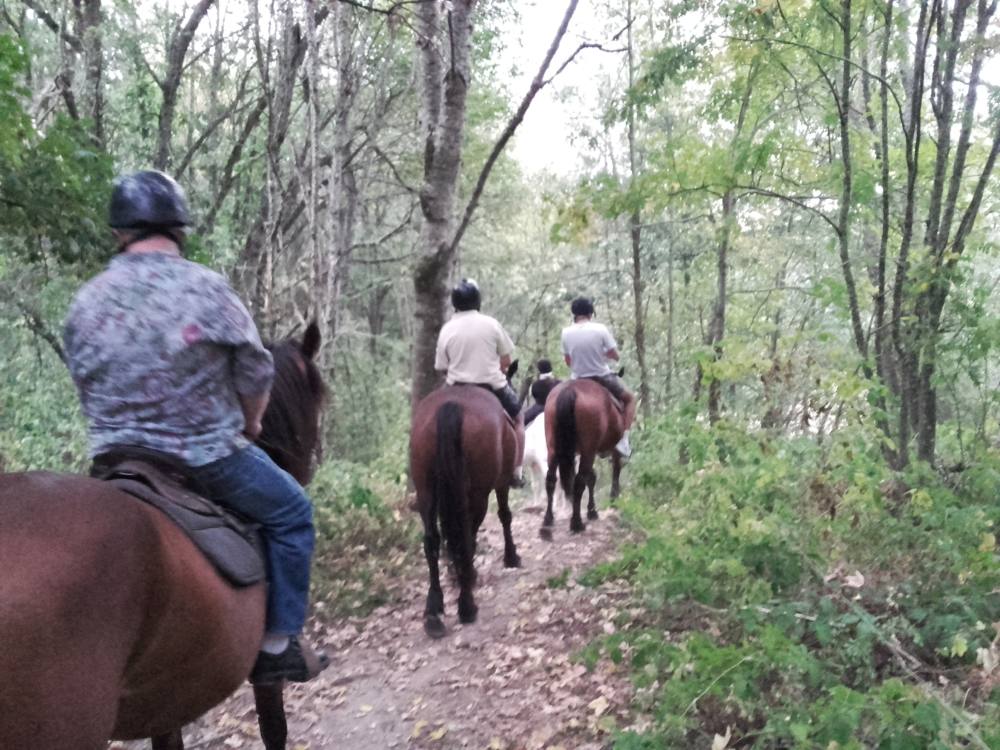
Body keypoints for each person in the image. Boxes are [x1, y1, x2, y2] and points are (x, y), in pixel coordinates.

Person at [62, 170, 328, 685]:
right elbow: (256, 370)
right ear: (179, 229)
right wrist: (252, 421)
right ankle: (279, 646)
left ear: (119, 233)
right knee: (293, 513)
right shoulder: (207, 289)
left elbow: (82, 374)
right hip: (204, 456)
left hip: (115, 456)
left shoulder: (87, 299)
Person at [434, 278, 525, 484]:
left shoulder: (447, 328)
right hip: (492, 385)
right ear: (477, 300)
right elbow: (506, 361)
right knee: (519, 417)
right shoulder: (491, 324)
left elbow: (442, 366)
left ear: (455, 303)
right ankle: (516, 472)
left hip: (455, 386)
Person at [561, 297, 637, 437]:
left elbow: (568, 361)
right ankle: (624, 438)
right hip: (601, 376)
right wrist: (604, 355)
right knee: (630, 399)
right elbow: (615, 355)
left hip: (576, 379)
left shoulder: (565, 332)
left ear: (574, 314)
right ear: (590, 313)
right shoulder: (600, 329)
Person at [523, 358, 560, 426]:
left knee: (521, 420)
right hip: (556, 407)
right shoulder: (559, 383)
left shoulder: (535, 384)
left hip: (540, 407)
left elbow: (534, 395)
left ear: (539, 370)